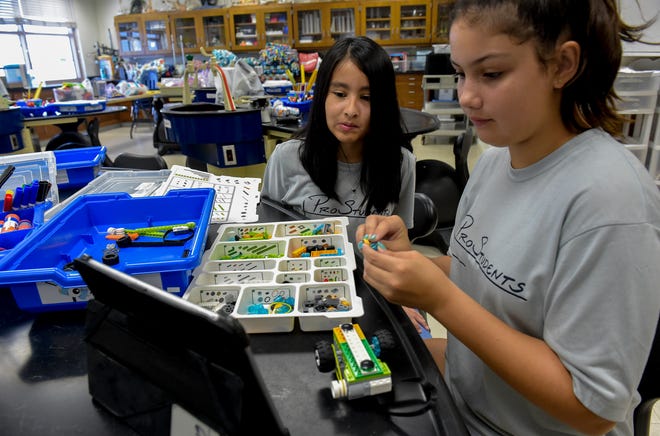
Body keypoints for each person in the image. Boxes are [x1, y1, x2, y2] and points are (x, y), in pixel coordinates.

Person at [357, 1, 660, 435]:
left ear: (562, 65)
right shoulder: (499, 161)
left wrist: (438, 299)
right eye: (461, 73)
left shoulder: (612, 203)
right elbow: (485, 273)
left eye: (491, 74)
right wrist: (413, 264)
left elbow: (592, 408)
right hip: (468, 400)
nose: (466, 96)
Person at [261, 36, 416, 233]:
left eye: (367, 97)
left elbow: (400, 243)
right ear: (323, 95)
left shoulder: (401, 164)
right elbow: (268, 234)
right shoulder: (285, 158)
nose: (351, 110)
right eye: (340, 94)